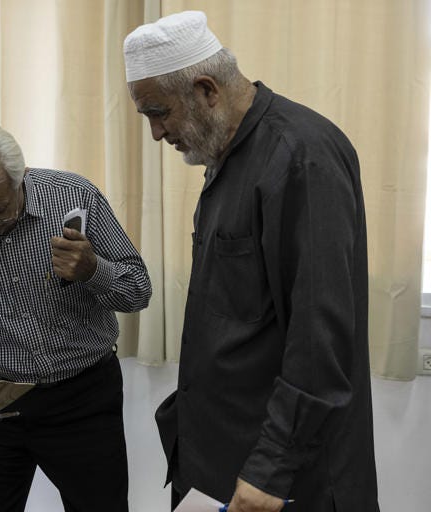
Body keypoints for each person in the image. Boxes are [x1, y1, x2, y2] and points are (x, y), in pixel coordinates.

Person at [123, 10, 380, 512]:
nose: (156, 134)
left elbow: (318, 338)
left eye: (159, 113)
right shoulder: (227, 153)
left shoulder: (301, 157)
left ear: (206, 90)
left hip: (279, 481)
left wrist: (269, 469)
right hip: (221, 459)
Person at [0, 121, 152, 511]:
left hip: (83, 397)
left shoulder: (75, 197)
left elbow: (138, 291)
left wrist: (93, 270)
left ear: (20, 177)